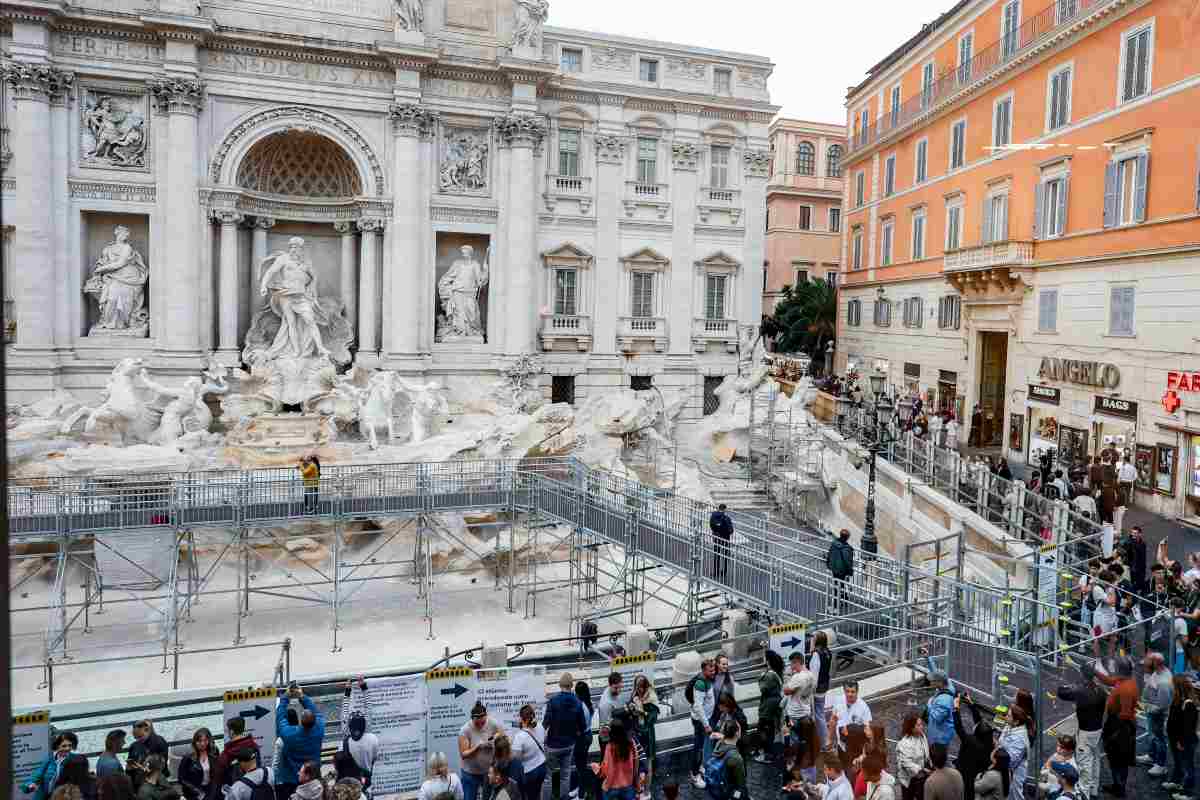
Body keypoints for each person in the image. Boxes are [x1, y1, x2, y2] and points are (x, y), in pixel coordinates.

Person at [277, 684, 326, 800]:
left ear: (300, 721)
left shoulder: (289, 734)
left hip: (292, 779)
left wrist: (285, 697)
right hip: (314, 778)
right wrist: (302, 696)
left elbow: (280, 718)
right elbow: (316, 712)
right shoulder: (319, 729)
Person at [1098, 656, 1139, 797]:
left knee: (1119, 759)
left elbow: (1125, 714)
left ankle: (1119, 787)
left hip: (1121, 727)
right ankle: (1117, 784)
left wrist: (1113, 734)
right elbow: (1110, 681)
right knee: (1117, 759)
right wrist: (1095, 672)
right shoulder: (1125, 680)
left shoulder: (1126, 688)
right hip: (1117, 724)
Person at [544, 672, 587, 800]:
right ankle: (564, 797)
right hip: (569, 744)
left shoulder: (553, 701)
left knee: (548, 776)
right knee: (565, 775)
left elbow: (545, 723)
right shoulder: (578, 702)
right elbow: (583, 727)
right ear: (571, 686)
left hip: (552, 745)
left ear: (560, 685)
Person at [338, 678, 380, 793]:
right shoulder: (372, 739)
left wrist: (347, 690)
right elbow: (368, 708)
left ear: (349, 726)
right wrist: (363, 687)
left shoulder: (344, 742)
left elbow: (345, 711)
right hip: (365, 783)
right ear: (364, 725)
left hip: (349, 787)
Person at [1139, 653, 1173, 777]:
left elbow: (1162, 706)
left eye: (1147, 663)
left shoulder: (1164, 682)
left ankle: (1161, 765)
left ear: (1155, 663)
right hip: (1151, 711)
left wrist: (1146, 707)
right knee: (1152, 736)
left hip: (1157, 715)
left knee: (1159, 739)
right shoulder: (1158, 672)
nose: (1144, 666)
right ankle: (1152, 756)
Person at [952, 695, 993, 800]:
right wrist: (971, 704)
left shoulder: (971, 742)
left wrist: (956, 708)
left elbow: (959, 727)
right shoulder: (989, 743)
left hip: (966, 774)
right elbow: (979, 722)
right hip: (978, 777)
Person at [459, 702, 503, 800]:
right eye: (477, 723)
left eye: (482, 722)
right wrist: (478, 747)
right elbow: (463, 754)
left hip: (488, 772)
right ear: (472, 719)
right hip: (470, 772)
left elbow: (502, 736)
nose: (480, 725)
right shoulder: (465, 730)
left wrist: (494, 740)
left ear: (486, 717)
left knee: (488, 797)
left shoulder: (493, 723)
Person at [1164, 674, 1198, 799]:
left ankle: (1188, 792)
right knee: (1178, 762)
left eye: (1172, 685)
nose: (1170, 687)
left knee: (1188, 766)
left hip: (1185, 741)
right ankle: (1177, 782)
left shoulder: (1188, 704)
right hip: (1175, 739)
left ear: (1178, 687)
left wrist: (1181, 742)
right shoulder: (1177, 700)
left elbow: (1188, 727)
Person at [591, 719, 640, 800]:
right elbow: (636, 763)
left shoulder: (610, 747)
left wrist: (595, 767)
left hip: (612, 786)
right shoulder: (631, 743)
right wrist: (636, 781)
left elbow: (607, 769)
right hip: (628, 784)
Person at [783, 652, 817, 768]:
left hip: (792, 714)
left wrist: (788, 678)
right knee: (804, 738)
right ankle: (802, 759)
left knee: (791, 737)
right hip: (805, 712)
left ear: (797, 662)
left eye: (792, 664)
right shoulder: (811, 675)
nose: (791, 667)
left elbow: (786, 691)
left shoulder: (797, 677)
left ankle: (792, 761)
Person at [689, 660, 718, 789]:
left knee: (700, 746)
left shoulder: (707, 680)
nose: (713, 672)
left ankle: (699, 769)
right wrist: (706, 724)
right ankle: (695, 775)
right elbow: (698, 706)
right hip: (701, 721)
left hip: (704, 719)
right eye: (710, 671)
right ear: (703, 670)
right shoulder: (700, 684)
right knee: (698, 748)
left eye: (714, 670)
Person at [24, 731, 78, 800]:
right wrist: (30, 785)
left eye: (70, 745)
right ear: (57, 746)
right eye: (64, 746)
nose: (67, 748)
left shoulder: (75, 760)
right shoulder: (50, 759)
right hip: (44, 795)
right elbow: (38, 774)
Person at [705, 720, 748, 800]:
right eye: (739, 729)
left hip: (716, 788)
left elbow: (723, 738)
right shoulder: (735, 757)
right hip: (728, 792)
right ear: (737, 733)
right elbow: (740, 784)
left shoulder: (719, 744)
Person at [755, 651, 785, 764]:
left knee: (764, 730)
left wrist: (761, 677)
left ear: (768, 661)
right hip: (774, 705)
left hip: (768, 707)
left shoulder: (769, 675)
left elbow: (763, 689)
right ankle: (769, 752)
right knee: (770, 729)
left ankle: (766, 754)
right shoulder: (777, 673)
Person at [513, 704, 548, 800]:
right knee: (537, 794)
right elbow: (543, 740)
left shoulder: (519, 736)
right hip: (542, 766)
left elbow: (517, 758)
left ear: (522, 718)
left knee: (529, 796)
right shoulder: (540, 726)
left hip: (530, 771)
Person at [217, 717, 261, 789]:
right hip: (255, 787)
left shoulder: (228, 753)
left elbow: (219, 773)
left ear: (231, 732)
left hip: (236, 790)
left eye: (227, 730)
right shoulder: (254, 745)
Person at [629, 675, 659, 777]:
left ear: (646, 686)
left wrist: (643, 713)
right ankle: (639, 787)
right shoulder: (634, 696)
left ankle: (647, 791)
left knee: (648, 762)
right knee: (637, 760)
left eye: (641, 687)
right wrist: (631, 709)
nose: (639, 690)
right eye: (637, 687)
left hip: (648, 733)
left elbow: (653, 718)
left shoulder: (652, 698)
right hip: (637, 732)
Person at [178, 728, 222, 800]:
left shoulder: (214, 752)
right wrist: (197, 791)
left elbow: (217, 773)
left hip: (210, 789)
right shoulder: (188, 757)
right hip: (194, 791)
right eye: (199, 741)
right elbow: (181, 778)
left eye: (205, 740)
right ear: (195, 742)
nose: (202, 744)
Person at [997, 707, 1029, 800]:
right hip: (1005, 770)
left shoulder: (1020, 738)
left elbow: (1011, 760)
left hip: (1014, 774)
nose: (1006, 716)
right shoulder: (1009, 726)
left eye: (1009, 716)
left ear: (1016, 721)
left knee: (1014, 796)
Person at [896, 715, 930, 800]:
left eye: (921, 724)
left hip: (921, 777)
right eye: (918, 725)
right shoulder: (904, 743)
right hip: (909, 780)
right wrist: (921, 769)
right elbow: (906, 763)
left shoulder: (922, 736)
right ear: (911, 728)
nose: (922, 727)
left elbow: (925, 751)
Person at [128, 721, 169, 790]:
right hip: (139, 780)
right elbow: (130, 763)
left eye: (140, 736)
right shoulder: (134, 745)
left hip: (156, 780)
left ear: (147, 730)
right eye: (136, 737)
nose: (139, 739)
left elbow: (161, 765)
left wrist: (142, 768)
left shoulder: (159, 742)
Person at [810, 632, 834, 751]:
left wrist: (810, 689)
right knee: (820, 713)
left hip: (816, 688)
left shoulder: (816, 654)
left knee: (818, 715)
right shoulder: (827, 652)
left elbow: (814, 674)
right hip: (824, 686)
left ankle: (825, 743)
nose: (811, 640)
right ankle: (824, 741)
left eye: (813, 638)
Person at [921, 666, 956, 749]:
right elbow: (937, 672)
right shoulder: (947, 683)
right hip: (940, 733)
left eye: (932, 681)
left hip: (939, 737)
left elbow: (937, 717)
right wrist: (928, 658)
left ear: (939, 682)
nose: (930, 683)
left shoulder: (944, 699)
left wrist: (929, 704)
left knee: (937, 757)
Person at [710, 692, 750, 762]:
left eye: (722, 707)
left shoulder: (738, 718)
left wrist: (721, 736)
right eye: (719, 707)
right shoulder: (724, 714)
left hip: (735, 751)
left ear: (728, 705)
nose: (720, 710)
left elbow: (738, 737)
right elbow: (719, 727)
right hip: (726, 749)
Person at [572, 681, 595, 800]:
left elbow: (577, 727)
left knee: (581, 767)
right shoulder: (589, 703)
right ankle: (580, 788)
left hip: (582, 738)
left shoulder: (580, 706)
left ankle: (581, 794)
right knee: (581, 764)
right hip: (588, 735)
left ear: (577, 693)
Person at [597, 672, 624, 757]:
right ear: (610, 685)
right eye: (616, 688)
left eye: (620, 687)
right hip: (607, 739)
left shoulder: (611, 691)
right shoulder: (605, 704)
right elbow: (605, 728)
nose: (619, 690)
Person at [710, 504, 734, 581]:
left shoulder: (713, 516)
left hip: (716, 538)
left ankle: (715, 571)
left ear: (718, 508)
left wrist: (716, 531)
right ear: (725, 510)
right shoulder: (727, 518)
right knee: (725, 556)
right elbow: (731, 531)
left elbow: (711, 526)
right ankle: (724, 571)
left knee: (716, 555)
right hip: (725, 539)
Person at [1119, 526, 1147, 591]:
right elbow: (1121, 551)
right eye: (1132, 533)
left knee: (1139, 584)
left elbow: (1143, 557)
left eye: (1135, 533)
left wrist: (1143, 568)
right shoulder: (1128, 542)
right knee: (1130, 585)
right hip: (1130, 568)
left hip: (1140, 568)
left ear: (1140, 534)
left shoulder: (1143, 543)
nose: (1133, 535)